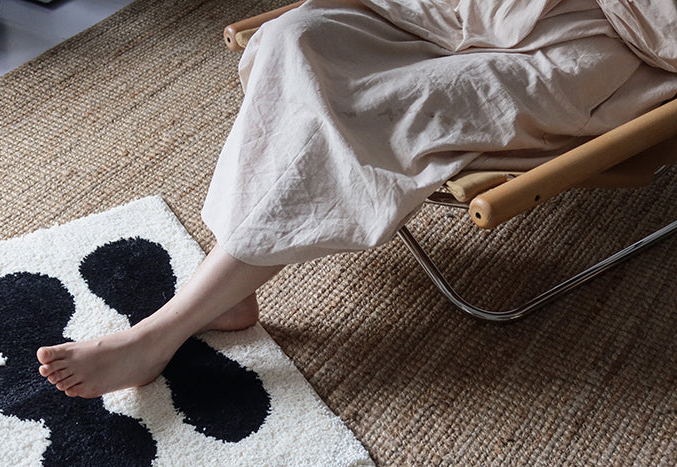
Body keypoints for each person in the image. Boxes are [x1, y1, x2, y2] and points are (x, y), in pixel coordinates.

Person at [38, 0, 677, 398]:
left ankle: (159, 333)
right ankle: (230, 294)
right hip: (458, 7)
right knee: (299, 36)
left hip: (605, 36)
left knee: (394, 110)